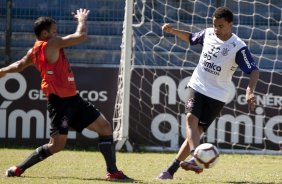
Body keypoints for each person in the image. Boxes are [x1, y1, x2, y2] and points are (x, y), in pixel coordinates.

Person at [1, 8, 129, 180]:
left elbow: (19, 65)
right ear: (45, 33)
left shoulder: (33, 51)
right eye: (54, 31)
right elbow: (81, 36)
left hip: (73, 99)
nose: (57, 34)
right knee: (56, 146)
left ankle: (113, 172)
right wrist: (82, 19)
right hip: (59, 103)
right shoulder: (51, 44)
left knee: (105, 128)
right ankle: (19, 168)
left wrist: (3, 70)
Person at [157, 6, 259, 180]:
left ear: (230, 24)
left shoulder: (238, 47)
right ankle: (196, 158)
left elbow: (254, 70)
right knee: (190, 120)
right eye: (214, 25)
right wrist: (172, 30)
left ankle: (171, 170)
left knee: (197, 131)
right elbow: (190, 38)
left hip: (218, 94)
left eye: (221, 26)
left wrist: (250, 90)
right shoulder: (208, 33)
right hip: (197, 84)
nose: (217, 29)